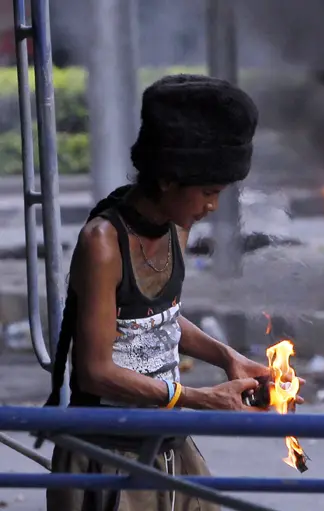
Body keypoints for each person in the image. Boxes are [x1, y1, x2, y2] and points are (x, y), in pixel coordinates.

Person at [44, 74, 294, 511]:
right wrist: (199, 398)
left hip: (169, 446)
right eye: (208, 193)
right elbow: (96, 371)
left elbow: (157, 319)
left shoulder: (178, 228)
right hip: (108, 455)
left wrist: (226, 358)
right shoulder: (103, 243)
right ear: (167, 180)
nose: (212, 206)